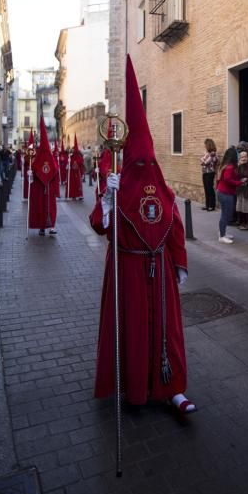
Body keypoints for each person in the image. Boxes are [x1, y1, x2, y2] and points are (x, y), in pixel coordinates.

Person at [95, 55, 196, 415]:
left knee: (168, 330)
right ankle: (134, 387)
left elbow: (175, 225)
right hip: (128, 270)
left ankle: (173, 388)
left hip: (161, 271)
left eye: (150, 162)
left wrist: (180, 263)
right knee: (134, 331)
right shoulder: (118, 188)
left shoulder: (161, 188)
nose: (147, 168)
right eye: (141, 162)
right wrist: (107, 198)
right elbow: (99, 225)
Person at [28, 117, 58, 236]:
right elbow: (34, 174)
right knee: (41, 208)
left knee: (49, 208)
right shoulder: (36, 160)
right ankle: (42, 226)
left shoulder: (48, 160)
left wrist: (55, 189)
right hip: (41, 189)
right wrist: (30, 174)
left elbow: (55, 173)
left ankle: (51, 226)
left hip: (48, 189)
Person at [216, 147, 245, 243]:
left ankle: (222, 232)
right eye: (237, 154)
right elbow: (228, 180)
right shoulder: (230, 167)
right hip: (225, 193)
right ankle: (222, 236)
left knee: (225, 214)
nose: (238, 155)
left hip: (223, 192)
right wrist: (240, 182)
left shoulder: (227, 165)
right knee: (226, 214)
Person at [236, 151, 248, 229]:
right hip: (239, 189)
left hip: (247, 189)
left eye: (245, 156)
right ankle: (242, 223)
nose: (244, 158)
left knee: (247, 207)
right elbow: (235, 176)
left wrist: (247, 179)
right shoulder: (238, 166)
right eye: (242, 157)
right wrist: (238, 166)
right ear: (240, 158)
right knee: (240, 207)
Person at [200, 138, 218, 211]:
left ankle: (212, 206)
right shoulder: (207, 153)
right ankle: (207, 205)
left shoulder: (213, 153)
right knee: (206, 189)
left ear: (208, 145)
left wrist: (204, 160)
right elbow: (202, 160)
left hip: (210, 173)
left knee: (210, 189)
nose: (204, 146)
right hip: (205, 172)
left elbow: (206, 162)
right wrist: (203, 160)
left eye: (205, 145)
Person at [67, 135, 84, 199]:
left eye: (74, 149)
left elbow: (81, 163)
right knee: (73, 184)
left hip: (78, 172)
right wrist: (68, 161)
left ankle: (79, 195)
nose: (73, 150)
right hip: (72, 172)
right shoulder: (71, 156)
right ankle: (73, 195)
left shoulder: (79, 156)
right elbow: (69, 164)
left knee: (78, 184)